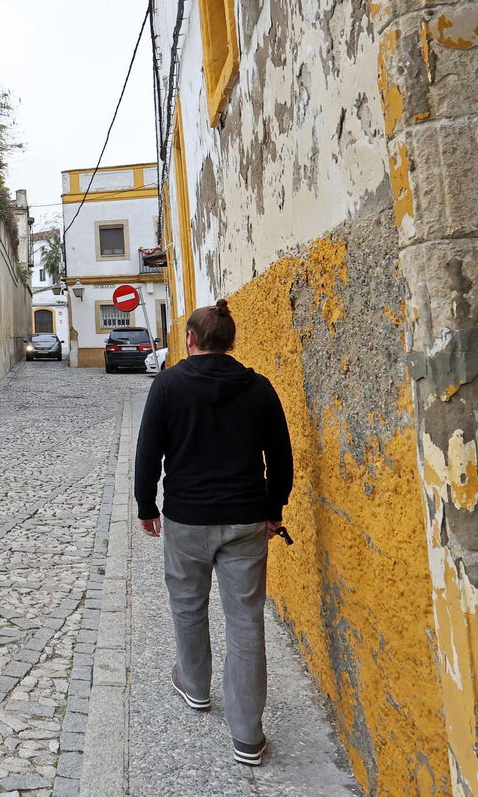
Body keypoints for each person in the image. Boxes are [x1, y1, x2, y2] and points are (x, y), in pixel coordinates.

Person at [134, 299, 293, 766]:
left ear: (189, 340)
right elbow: (280, 458)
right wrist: (274, 509)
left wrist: (148, 506)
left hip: (186, 518)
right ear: (232, 342)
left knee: (188, 605)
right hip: (246, 520)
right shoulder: (259, 388)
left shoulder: (168, 384)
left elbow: (149, 451)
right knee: (246, 620)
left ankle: (196, 686)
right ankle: (247, 733)